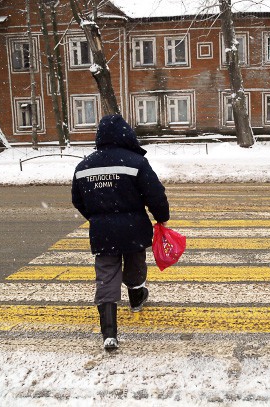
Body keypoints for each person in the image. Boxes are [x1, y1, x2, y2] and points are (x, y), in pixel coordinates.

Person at [72, 114, 169, 351]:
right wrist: (162, 217)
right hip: (134, 228)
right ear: (126, 135)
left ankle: (109, 333)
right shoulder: (135, 162)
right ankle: (136, 298)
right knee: (135, 264)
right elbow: (154, 194)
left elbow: (78, 200)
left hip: (102, 231)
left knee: (106, 275)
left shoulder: (84, 166)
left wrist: (97, 217)